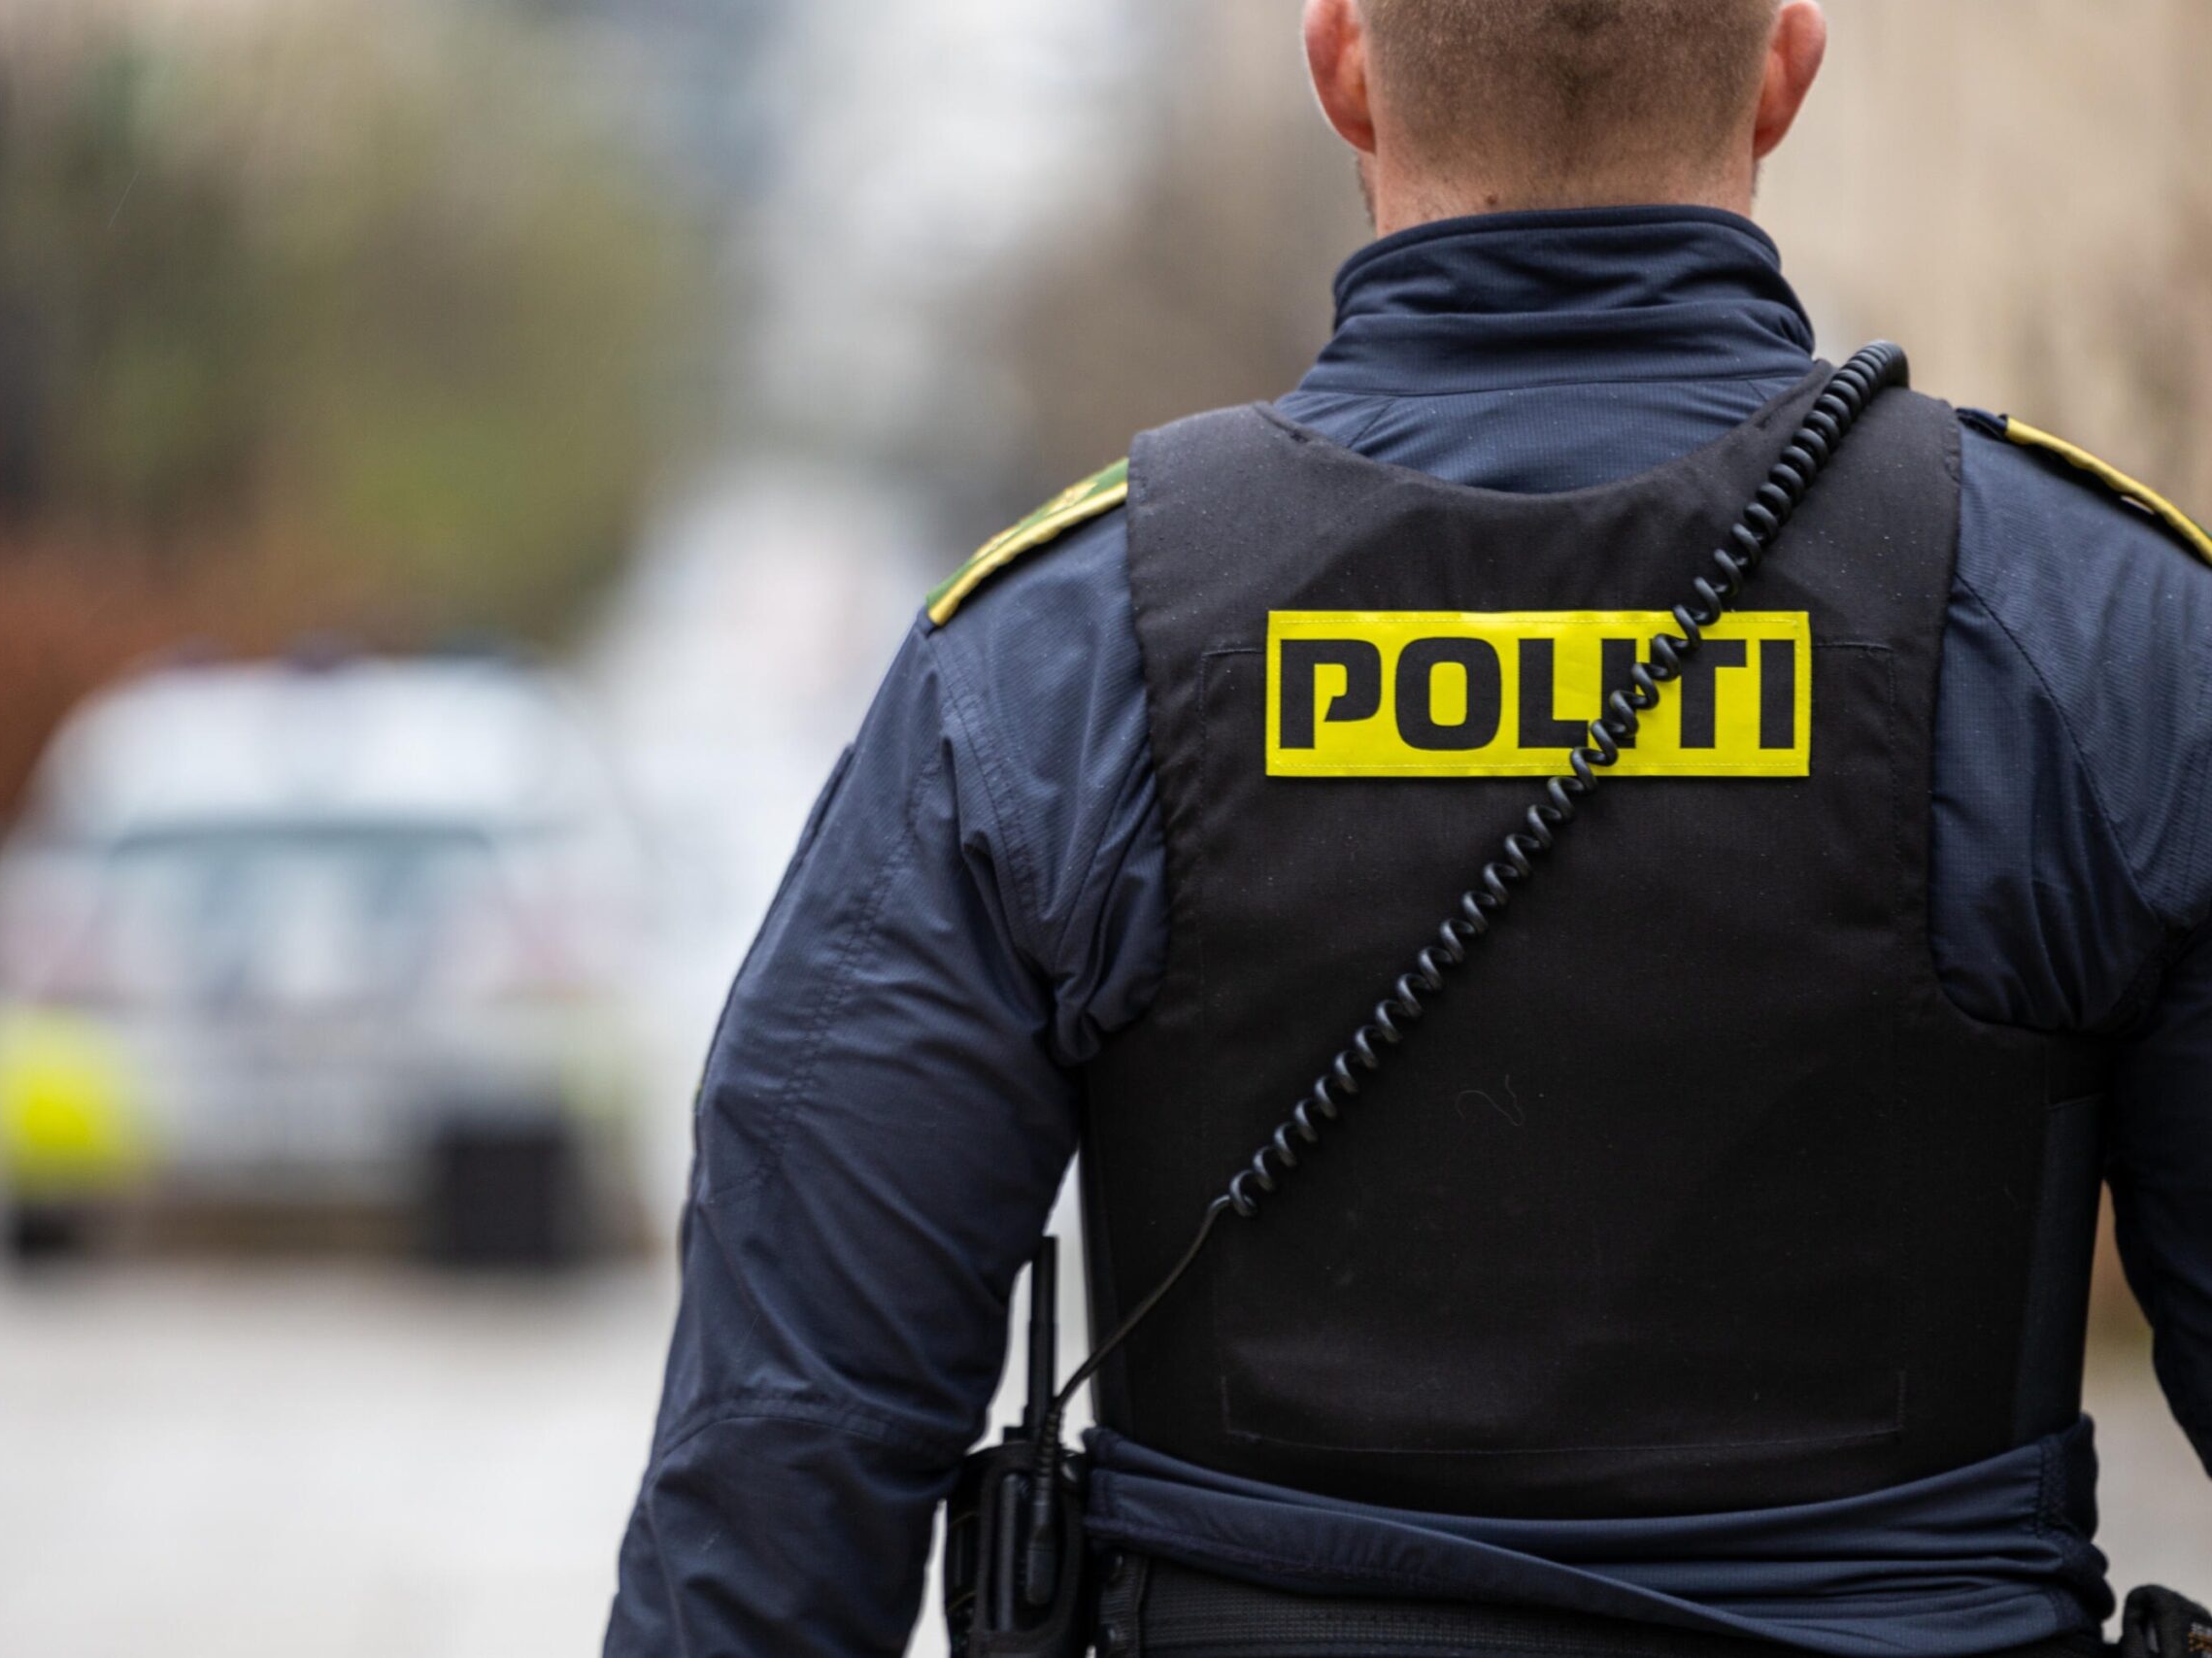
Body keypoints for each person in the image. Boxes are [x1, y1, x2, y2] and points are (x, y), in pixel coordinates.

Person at [604, 2, 2212, 1653]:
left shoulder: (1056, 662)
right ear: (1787, 69)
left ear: (1342, 68)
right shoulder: (2103, 636)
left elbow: (776, 1492)